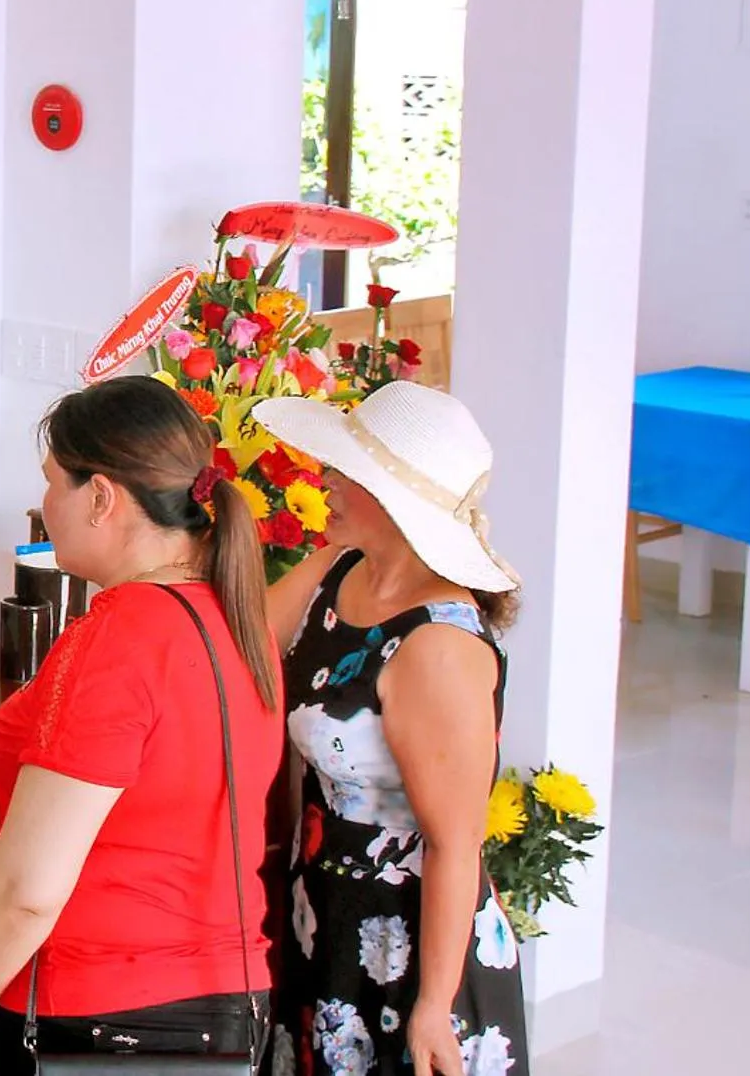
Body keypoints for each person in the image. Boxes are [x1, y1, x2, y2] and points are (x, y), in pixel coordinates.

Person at [0, 375, 284, 1075]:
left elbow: (27, 894)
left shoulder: (120, 636)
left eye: (51, 483)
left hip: (100, 1012)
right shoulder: (237, 620)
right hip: (229, 1005)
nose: (42, 507)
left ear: (100, 496)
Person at [251, 381, 530, 1076]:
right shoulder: (337, 570)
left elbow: (453, 844)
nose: (327, 482)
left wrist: (434, 1004)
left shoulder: (438, 645)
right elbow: (236, 644)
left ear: (397, 502)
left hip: (404, 942)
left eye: (348, 472)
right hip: (326, 911)